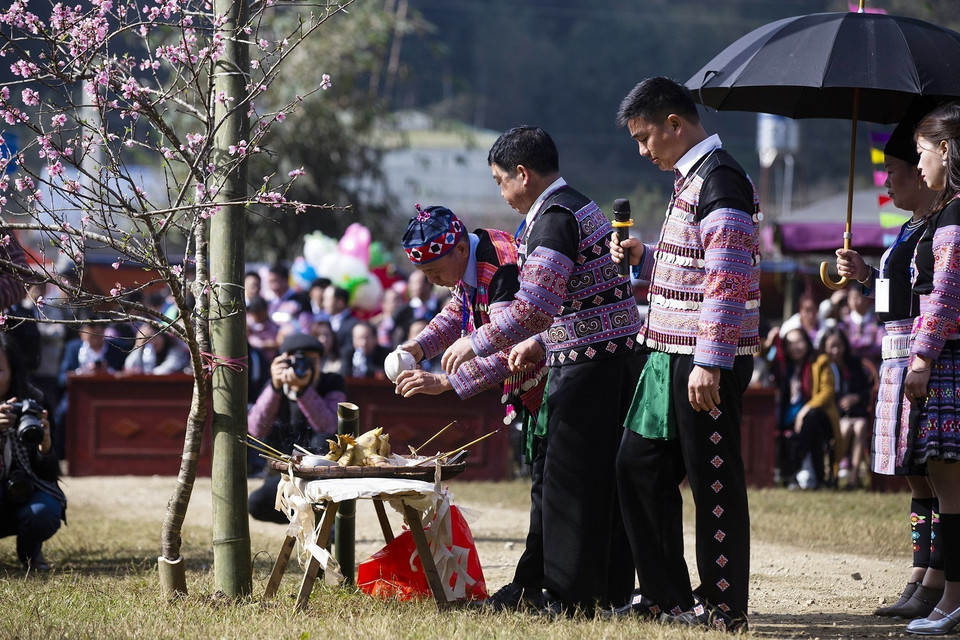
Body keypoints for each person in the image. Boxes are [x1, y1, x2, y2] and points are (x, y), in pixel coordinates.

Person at [441, 125, 643, 615]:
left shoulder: (552, 219)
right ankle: (583, 587)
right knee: (586, 480)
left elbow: (534, 307)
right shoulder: (577, 205)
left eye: (499, 180)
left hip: (589, 364)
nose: (501, 192)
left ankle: (568, 596)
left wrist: (476, 341)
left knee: (570, 483)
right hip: (605, 358)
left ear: (523, 175)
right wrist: (536, 343)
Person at [609, 77, 761, 631]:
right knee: (638, 466)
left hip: (701, 358)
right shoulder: (691, 177)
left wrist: (711, 359)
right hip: (666, 351)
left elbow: (727, 277)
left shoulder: (721, 180)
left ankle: (724, 606)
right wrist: (646, 258)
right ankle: (666, 596)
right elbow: (697, 269)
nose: (643, 151)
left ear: (675, 124)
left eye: (646, 137)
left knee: (713, 479)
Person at [392, 203, 548, 611]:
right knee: (544, 490)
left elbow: (511, 345)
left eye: (434, 272)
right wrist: (418, 346)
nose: (434, 281)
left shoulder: (500, 267)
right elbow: (457, 312)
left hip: (555, 383)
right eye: (425, 276)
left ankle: (542, 585)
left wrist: (446, 382)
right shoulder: (470, 261)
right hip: (537, 390)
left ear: (460, 249)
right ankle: (535, 582)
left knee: (552, 490)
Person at [835, 114, 944, 618]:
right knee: (914, 474)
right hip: (896, 355)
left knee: (934, 471)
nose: (887, 181)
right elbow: (898, 290)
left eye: (895, 170)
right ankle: (921, 570)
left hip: (920, 357)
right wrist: (865, 273)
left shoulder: (940, 226)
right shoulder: (910, 229)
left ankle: (938, 578)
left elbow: (933, 296)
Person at [893, 102, 960, 635]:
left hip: (947, 358)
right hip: (946, 355)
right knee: (942, 481)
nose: (918, 167)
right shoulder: (950, 212)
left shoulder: (954, 217)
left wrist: (921, 358)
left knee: (949, 483)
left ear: (945, 150)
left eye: (921, 154)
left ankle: (951, 599)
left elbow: (944, 297)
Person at [247, 333, 346, 523]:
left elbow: (329, 425)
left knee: (321, 440)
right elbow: (255, 429)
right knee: (256, 504)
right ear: (283, 362)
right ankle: (307, 519)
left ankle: (321, 520)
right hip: (287, 475)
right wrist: (275, 387)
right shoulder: (275, 386)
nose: (304, 366)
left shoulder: (332, 382)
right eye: (297, 361)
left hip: (322, 476)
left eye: (311, 361)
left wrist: (303, 391)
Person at [0, 332, 66, 572]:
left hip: (24, 490)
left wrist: (45, 446)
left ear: (13, 372)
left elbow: (48, 473)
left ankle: (30, 552)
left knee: (44, 512)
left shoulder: (35, 402)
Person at [820, 327, 875, 489]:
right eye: (832, 346)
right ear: (825, 347)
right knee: (844, 429)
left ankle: (853, 478)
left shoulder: (855, 364)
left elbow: (867, 390)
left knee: (859, 427)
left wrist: (855, 397)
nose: (836, 350)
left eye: (839, 345)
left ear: (845, 346)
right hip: (834, 414)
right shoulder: (823, 366)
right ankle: (835, 474)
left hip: (857, 412)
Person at [122, 322, 192, 375]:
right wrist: (138, 345)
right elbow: (129, 366)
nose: (152, 342)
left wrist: (150, 375)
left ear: (161, 335)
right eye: (146, 340)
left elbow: (171, 366)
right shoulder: (145, 348)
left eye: (153, 337)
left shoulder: (174, 346)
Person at [322, 286, 358, 352]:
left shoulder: (354, 325)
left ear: (340, 302)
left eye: (327, 299)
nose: (323, 303)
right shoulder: (325, 322)